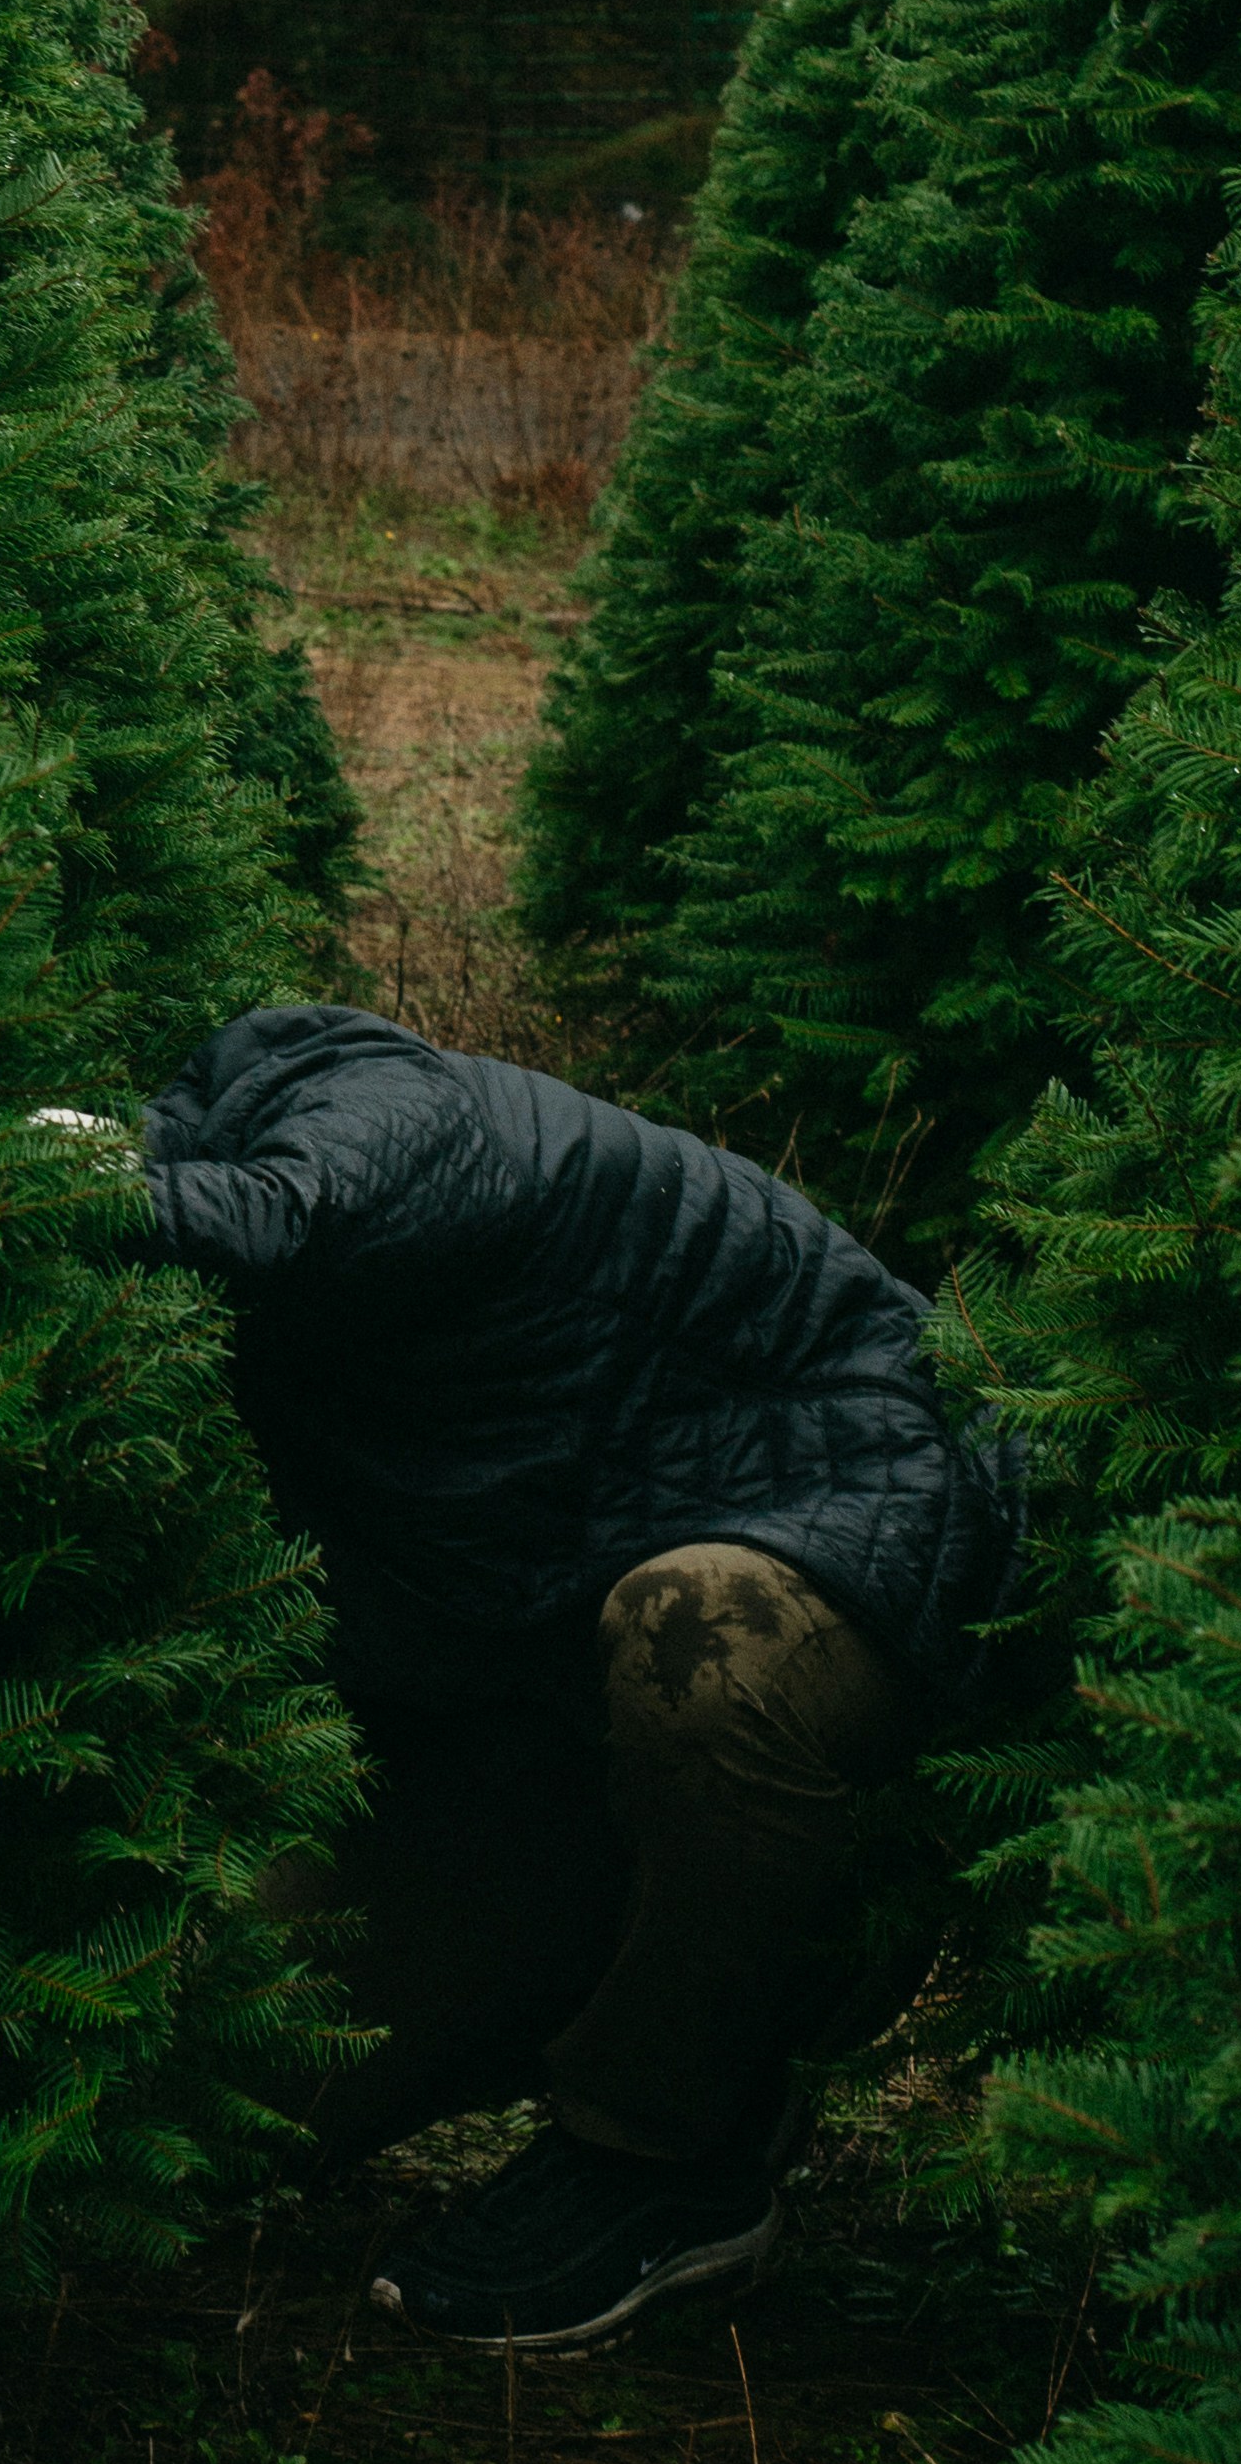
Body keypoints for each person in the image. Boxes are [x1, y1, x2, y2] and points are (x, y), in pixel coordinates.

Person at [140, 1002, 1031, 2351]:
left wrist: (48, 1188)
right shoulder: (228, 1280)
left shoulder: (369, 1106)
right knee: (230, 2102)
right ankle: (650, 1944)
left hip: (846, 1529)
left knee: (699, 1637)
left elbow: (282, 1213)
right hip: (552, 1675)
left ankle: (672, 2146)